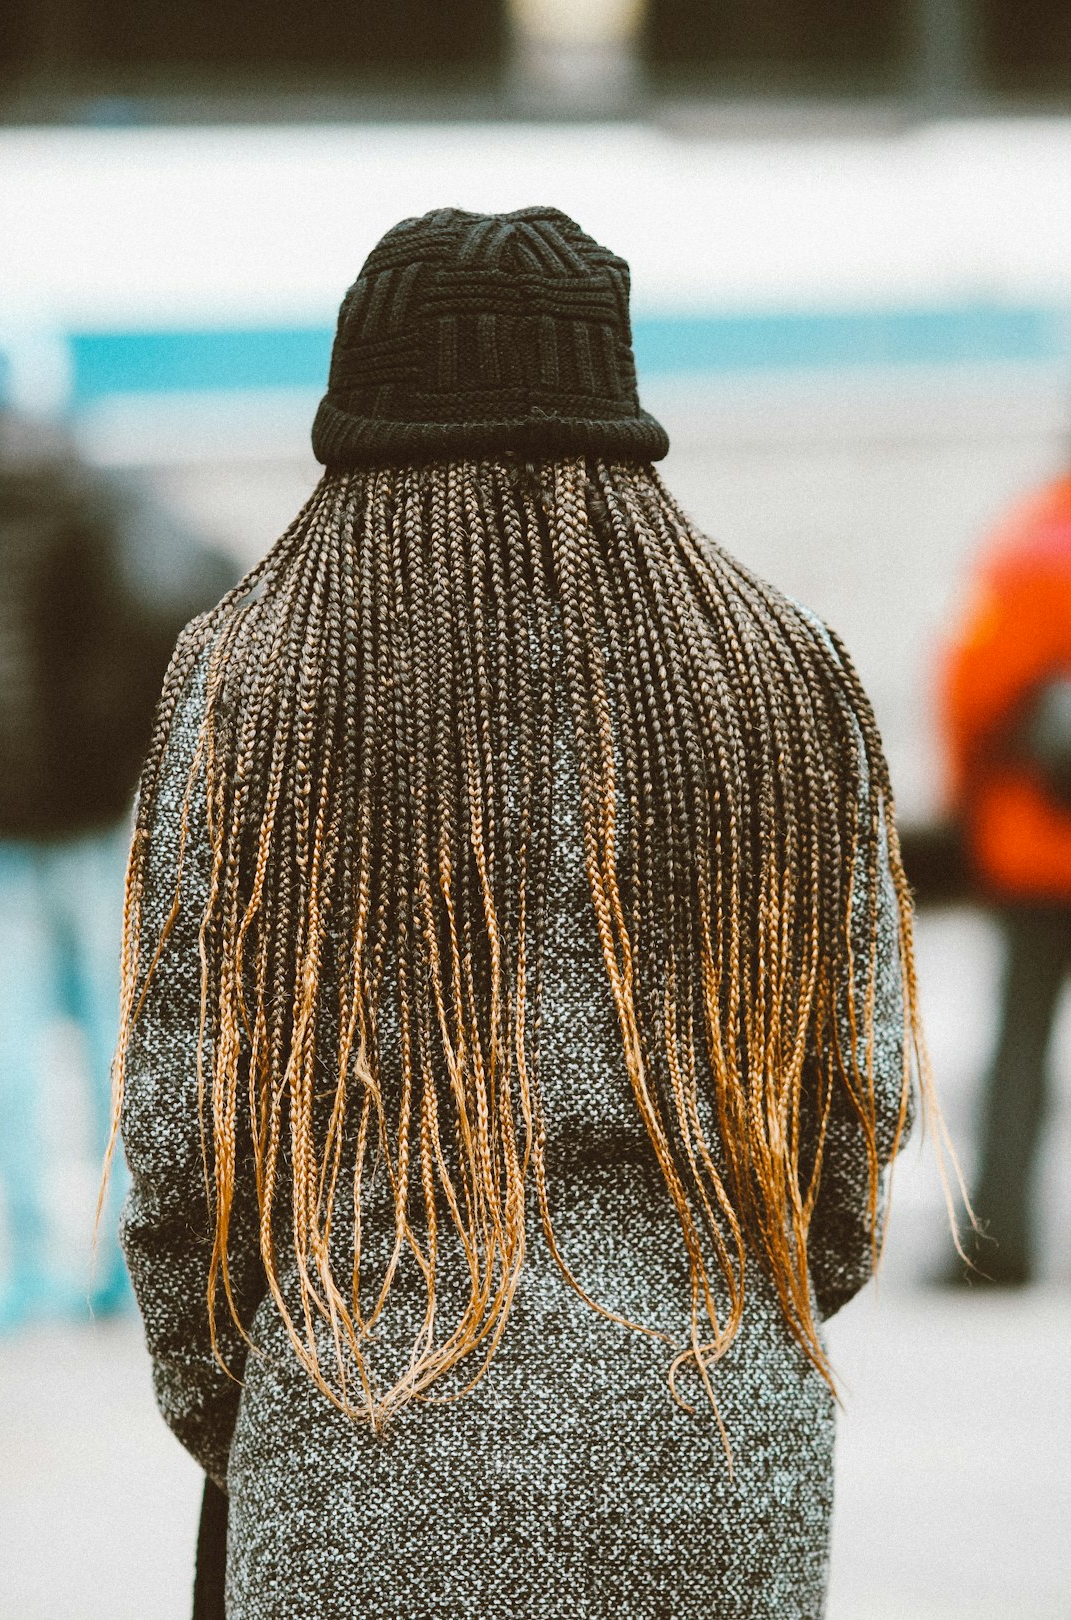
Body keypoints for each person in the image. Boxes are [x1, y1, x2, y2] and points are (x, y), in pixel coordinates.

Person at [113, 207, 928, 1620]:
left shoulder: (244, 680)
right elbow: (853, 1108)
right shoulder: (784, 669)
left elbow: (180, 1144)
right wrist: (736, 1335)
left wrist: (262, 1412)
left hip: (358, 1423)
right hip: (713, 1438)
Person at [0, 387, 235, 1331]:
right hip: (97, 814)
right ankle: (122, 1265)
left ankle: (32, 1269)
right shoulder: (90, 491)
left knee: (7, 1050)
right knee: (116, 1040)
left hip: (0, 825)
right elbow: (200, 586)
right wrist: (126, 734)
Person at [940, 474, 1071, 1285]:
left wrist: (968, 811)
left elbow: (971, 691)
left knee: (1021, 1047)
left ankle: (1000, 1246)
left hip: (1040, 853)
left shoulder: (1033, 552)